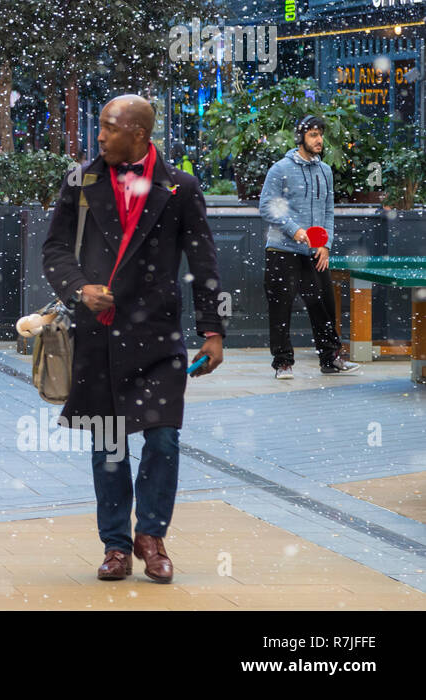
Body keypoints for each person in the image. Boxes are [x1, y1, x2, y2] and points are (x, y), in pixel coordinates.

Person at [42, 94, 225, 585]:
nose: (98, 136)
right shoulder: (81, 182)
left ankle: (152, 535)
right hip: (98, 335)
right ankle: (116, 546)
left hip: (158, 335)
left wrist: (212, 330)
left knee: (163, 437)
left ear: (139, 135)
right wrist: (79, 288)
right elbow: (55, 248)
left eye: (107, 127)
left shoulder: (180, 187)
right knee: (109, 444)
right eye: (99, 127)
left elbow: (204, 260)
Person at [258, 115, 360, 378]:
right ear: (301, 137)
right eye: (313, 134)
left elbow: (328, 210)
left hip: (315, 252)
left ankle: (330, 359)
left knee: (324, 305)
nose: (319, 140)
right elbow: (267, 206)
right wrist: (295, 230)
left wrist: (324, 244)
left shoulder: (325, 171)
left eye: (321, 134)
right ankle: (282, 363)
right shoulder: (280, 169)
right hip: (282, 250)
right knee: (281, 307)